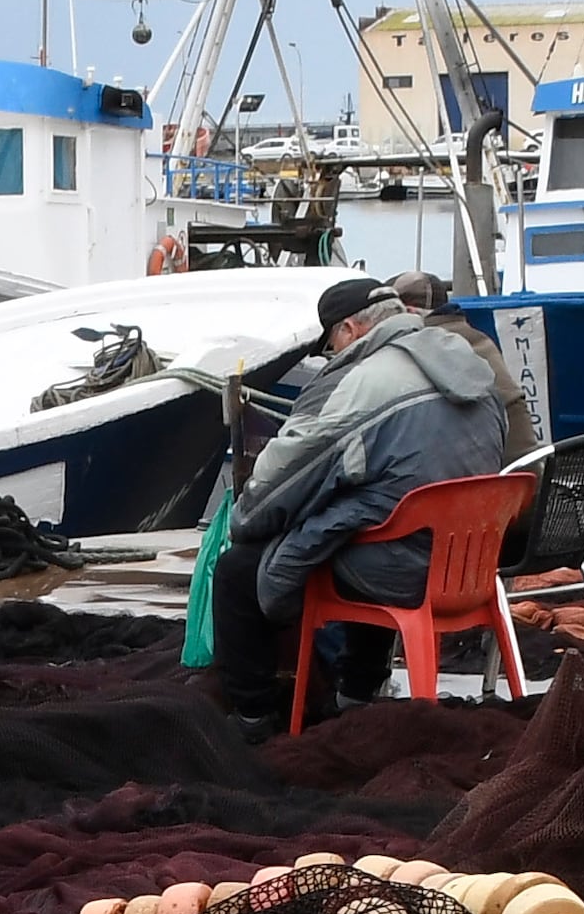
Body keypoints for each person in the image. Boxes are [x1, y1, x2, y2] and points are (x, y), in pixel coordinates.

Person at [223, 275, 505, 720]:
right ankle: (356, 690)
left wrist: (245, 518)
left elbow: (294, 473)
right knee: (376, 518)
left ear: (351, 330)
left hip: (405, 570)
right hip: (469, 568)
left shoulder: (371, 381)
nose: (333, 357)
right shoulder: (468, 364)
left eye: (331, 346)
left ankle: (254, 716)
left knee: (239, 568)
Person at [392, 270, 534, 460]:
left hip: (470, 480)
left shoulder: (417, 349)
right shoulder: (479, 340)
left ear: (408, 311)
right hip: (519, 476)